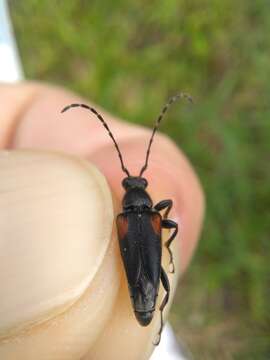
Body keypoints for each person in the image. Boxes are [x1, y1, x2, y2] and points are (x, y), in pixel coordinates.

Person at [0, 82, 204, 359]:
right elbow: (171, 226)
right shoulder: (156, 216)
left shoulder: (121, 220)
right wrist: (165, 247)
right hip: (140, 299)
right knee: (162, 284)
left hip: (132, 295)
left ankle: (156, 330)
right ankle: (158, 330)